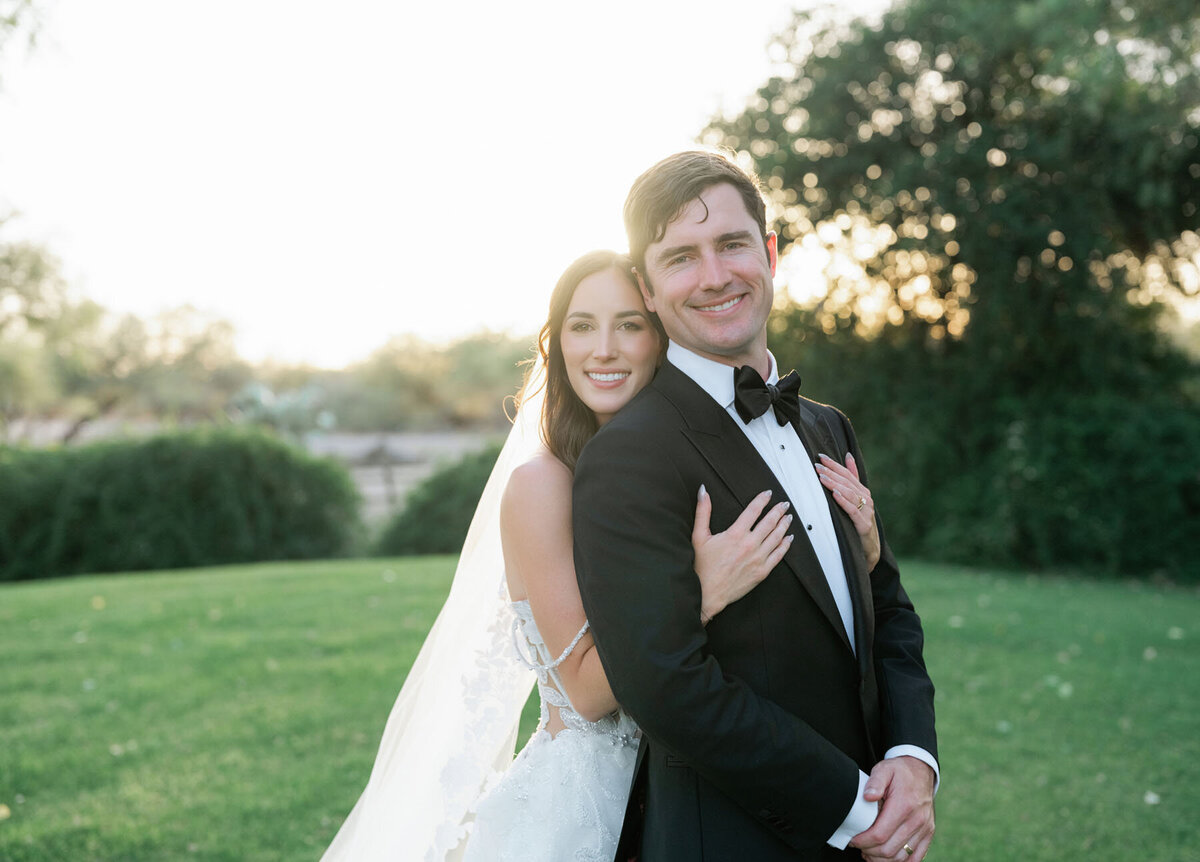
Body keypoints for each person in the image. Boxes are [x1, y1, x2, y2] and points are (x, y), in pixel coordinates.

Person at [321, 250, 793, 862]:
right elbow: (587, 693)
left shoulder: (677, 469)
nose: (604, 349)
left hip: (692, 798)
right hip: (587, 813)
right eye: (582, 326)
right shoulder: (542, 486)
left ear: (660, 338)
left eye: (629, 324)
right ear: (557, 344)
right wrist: (701, 592)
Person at [572, 151, 939, 862]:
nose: (714, 276)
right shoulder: (631, 455)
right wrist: (853, 805)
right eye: (681, 257)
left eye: (732, 244)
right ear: (648, 287)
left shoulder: (828, 427)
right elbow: (663, 684)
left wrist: (913, 757)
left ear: (769, 254)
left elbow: (889, 608)